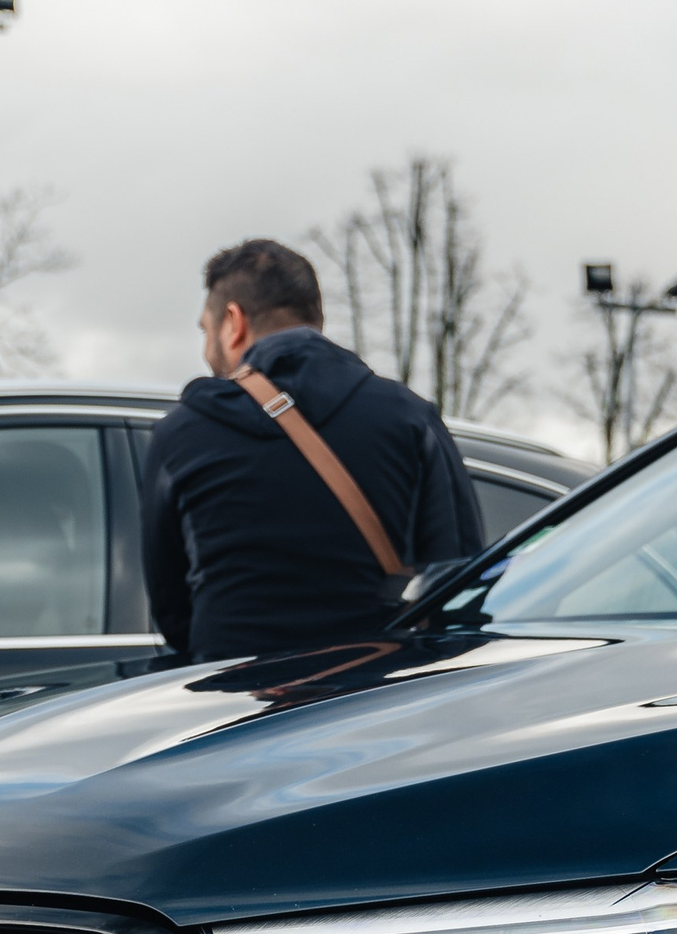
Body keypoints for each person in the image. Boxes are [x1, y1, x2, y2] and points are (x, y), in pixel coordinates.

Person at [141, 238, 487, 663]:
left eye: (205, 330)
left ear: (233, 322)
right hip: (374, 702)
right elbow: (456, 584)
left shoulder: (181, 433)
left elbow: (172, 612)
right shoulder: (411, 418)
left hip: (231, 709)